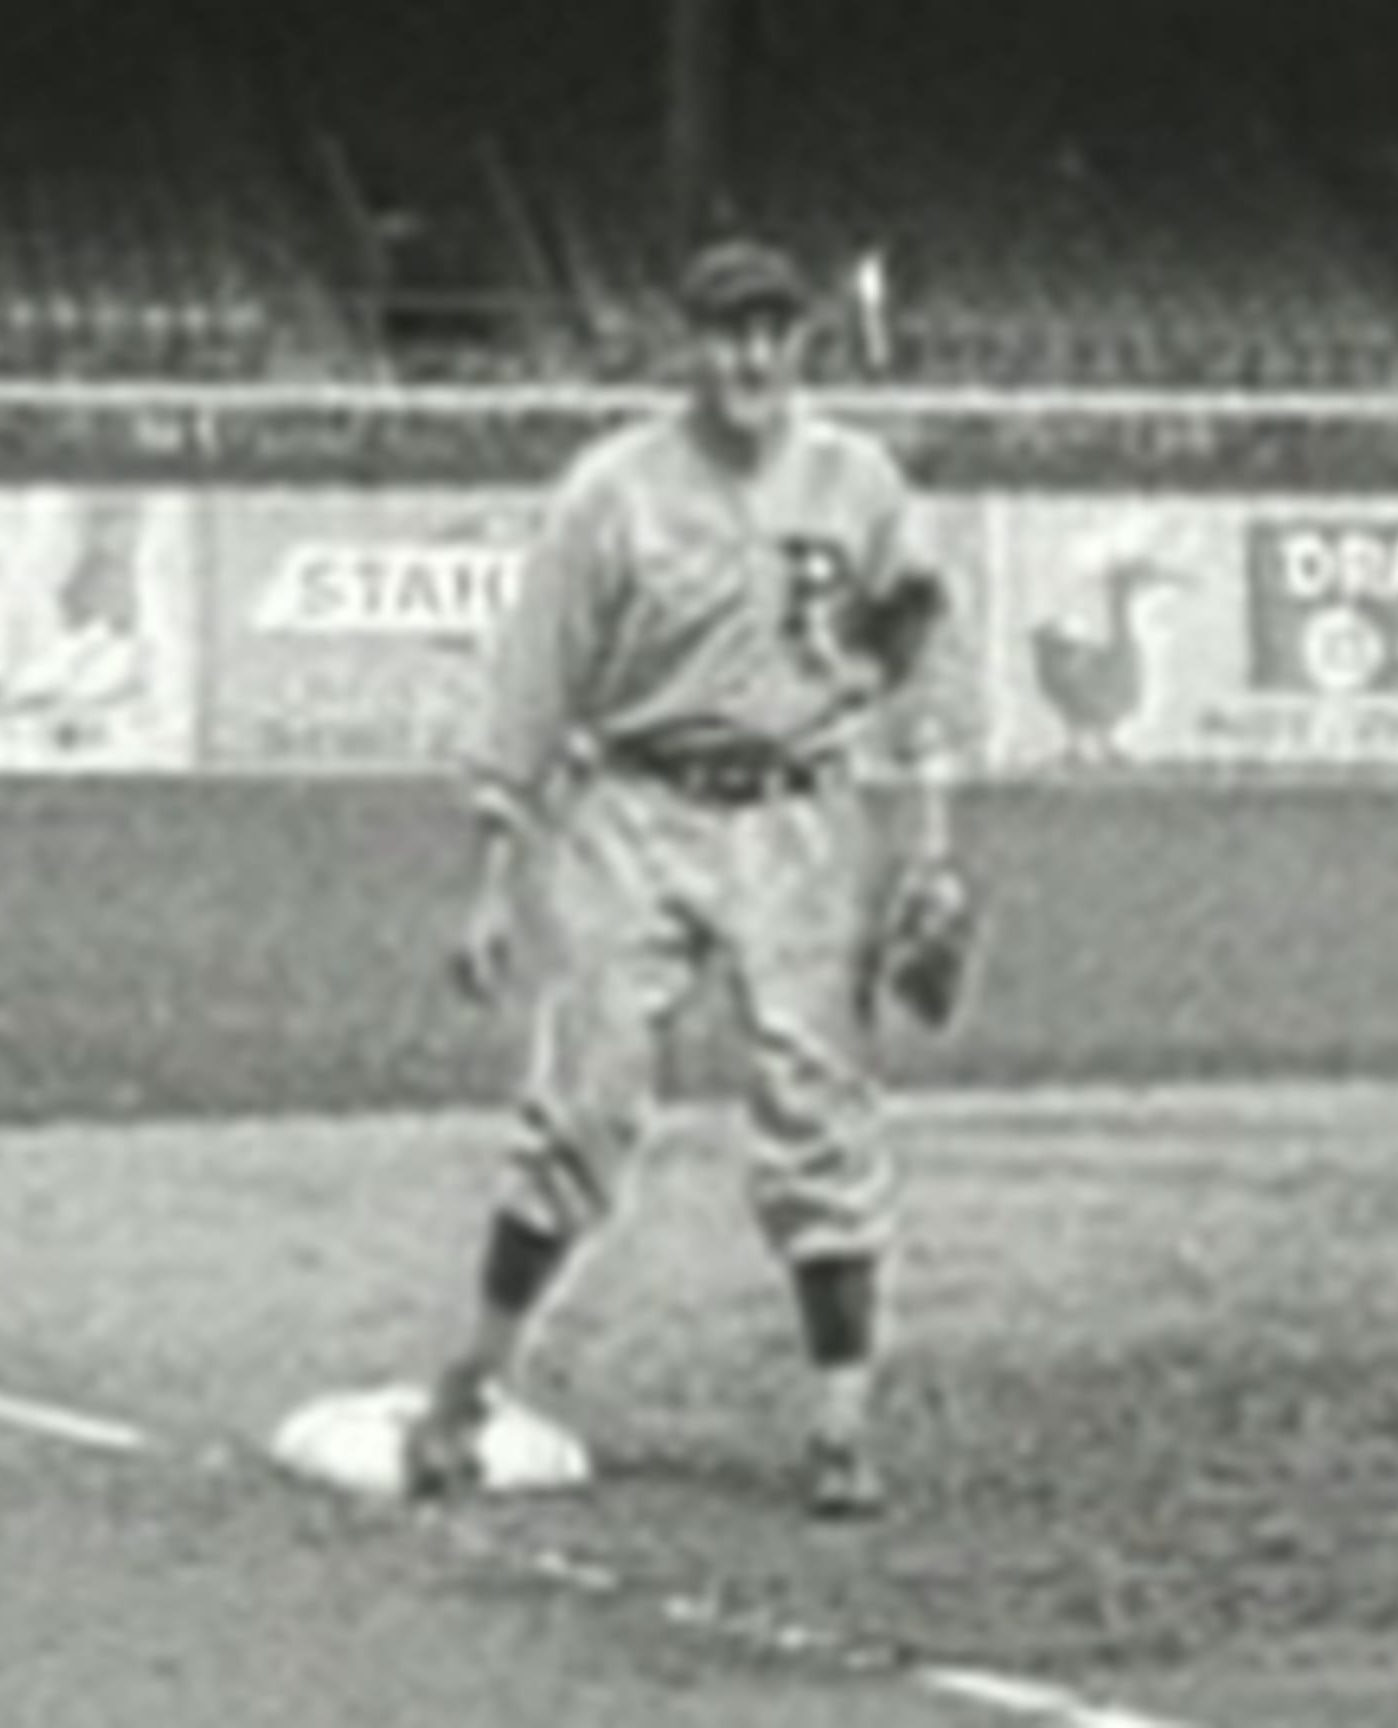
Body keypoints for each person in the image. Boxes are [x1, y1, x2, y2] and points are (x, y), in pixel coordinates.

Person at [405, 238, 962, 1520]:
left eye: (772, 329)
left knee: (819, 1116)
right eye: (726, 332)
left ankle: (840, 1430)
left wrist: (930, 846)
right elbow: (534, 683)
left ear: (801, 342)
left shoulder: (858, 483)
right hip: (637, 813)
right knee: (584, 1102)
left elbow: (920, 659)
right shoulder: (614, 491)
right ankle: (472, 1390)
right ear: (690, 346)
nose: (750, 356)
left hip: (799, 823)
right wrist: (494, 876)